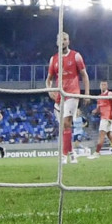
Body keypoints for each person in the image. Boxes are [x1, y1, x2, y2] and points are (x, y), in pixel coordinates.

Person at [45, 31, 90, 165]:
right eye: (61, 39)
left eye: (65, 39)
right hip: (59, 95)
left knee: (66, 124)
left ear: (68, 41)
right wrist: (49, 90)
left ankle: (63, 156)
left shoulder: (76, 56)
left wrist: (86, 93)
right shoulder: (53, 59)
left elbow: (84, 75)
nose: (63, 42)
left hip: (72, 93)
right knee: (64, 128)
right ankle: (71, 152)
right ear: (57, 42)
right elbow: (49, 79)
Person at [87, 80, 112, 160]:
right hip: (103, 117)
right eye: (102, 84)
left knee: (101, 135)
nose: (103, 86)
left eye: (105, 85)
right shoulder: (100, 97)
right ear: (100, 86)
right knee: (110, 135)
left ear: (107, 86)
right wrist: (93, 112)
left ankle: (97, 153)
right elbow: (98, 109)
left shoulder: (109, 94)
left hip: (107, 118)